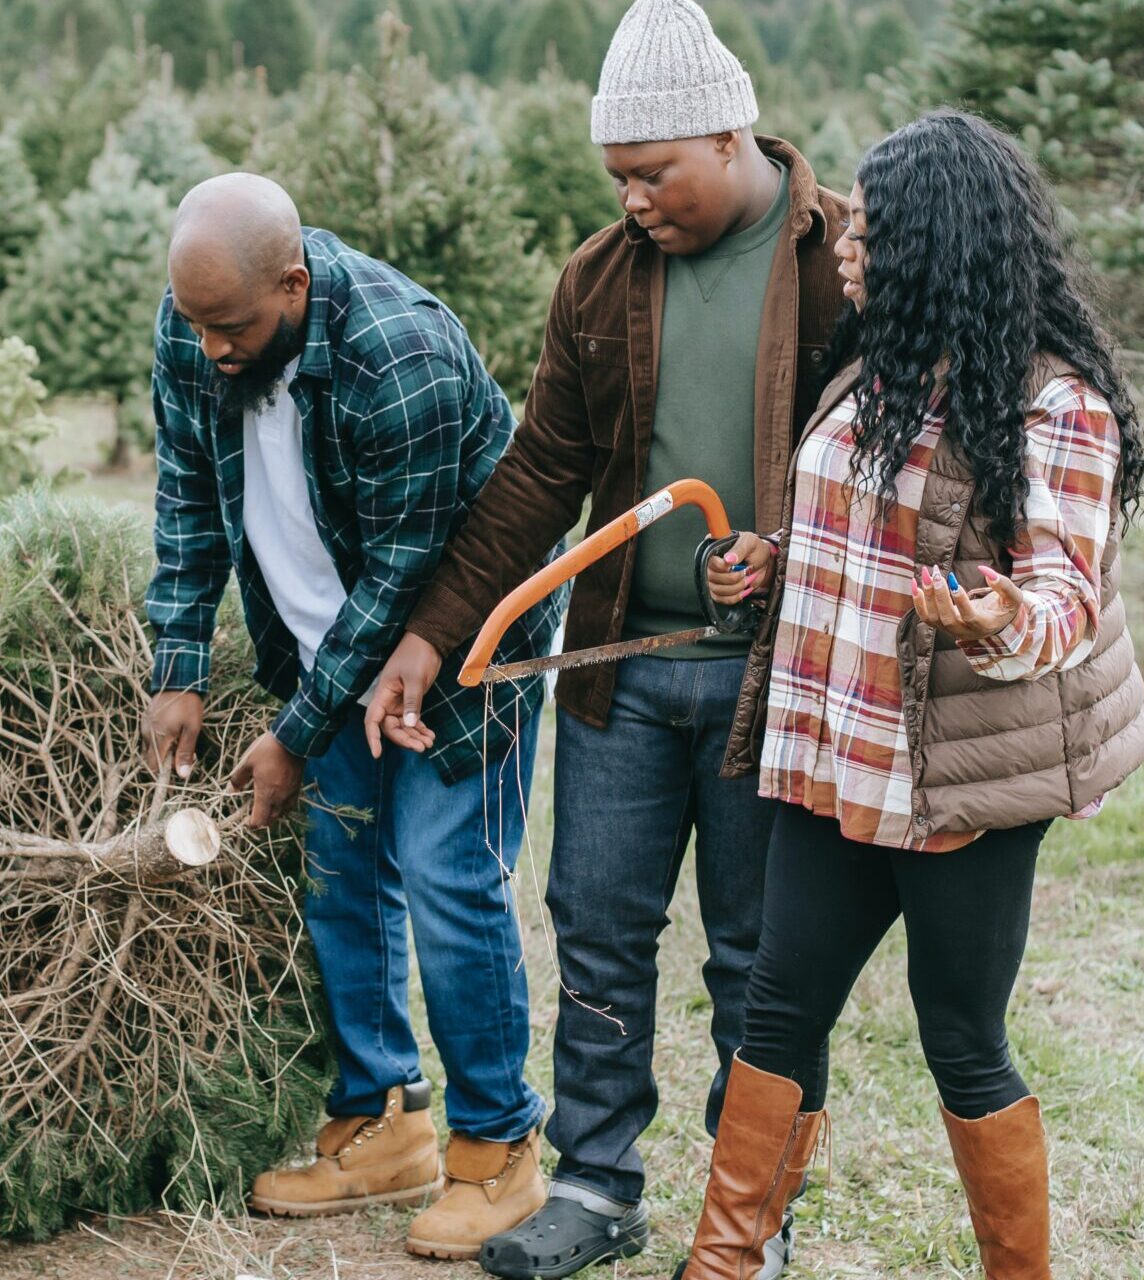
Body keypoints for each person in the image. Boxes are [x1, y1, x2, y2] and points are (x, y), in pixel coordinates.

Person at [363, 2, 848, 1275]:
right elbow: (538, 477)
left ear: (730, 135)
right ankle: (593, 1183)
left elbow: (900, 466)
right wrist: (435, 632)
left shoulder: (839, 258)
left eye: (652, 174)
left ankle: (757, 1211)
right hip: (622, 679)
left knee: (759, 956)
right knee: (595, 924)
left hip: (772, 683)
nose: (634, 202)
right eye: (618, 180)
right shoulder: (599, 279)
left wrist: (791, 556)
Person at [672, 110, 1144, 1280]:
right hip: (833, 750)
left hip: (957, 778)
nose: (847, 240)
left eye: (872, 227)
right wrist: (773, 557)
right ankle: (721, 1263)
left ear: (938, 242)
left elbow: (1061, 593)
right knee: (776, 1012)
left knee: (961, 1039)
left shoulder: (1056, 407)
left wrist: (999, 616)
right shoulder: (877, 369)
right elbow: (861, 530)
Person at [139, 174, 564, 1262]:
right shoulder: (200, 319)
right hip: (324, 643)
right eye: (195, 324)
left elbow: (401, 576)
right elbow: (187, 497)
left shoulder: (396, 353)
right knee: (340, 864)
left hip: (458, 642)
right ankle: (383, 1117)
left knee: (445, 875)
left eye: (232, 327)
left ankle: (495, 1146)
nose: (212, 350)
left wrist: (291, 731)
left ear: (293, 280)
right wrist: (178, 665)